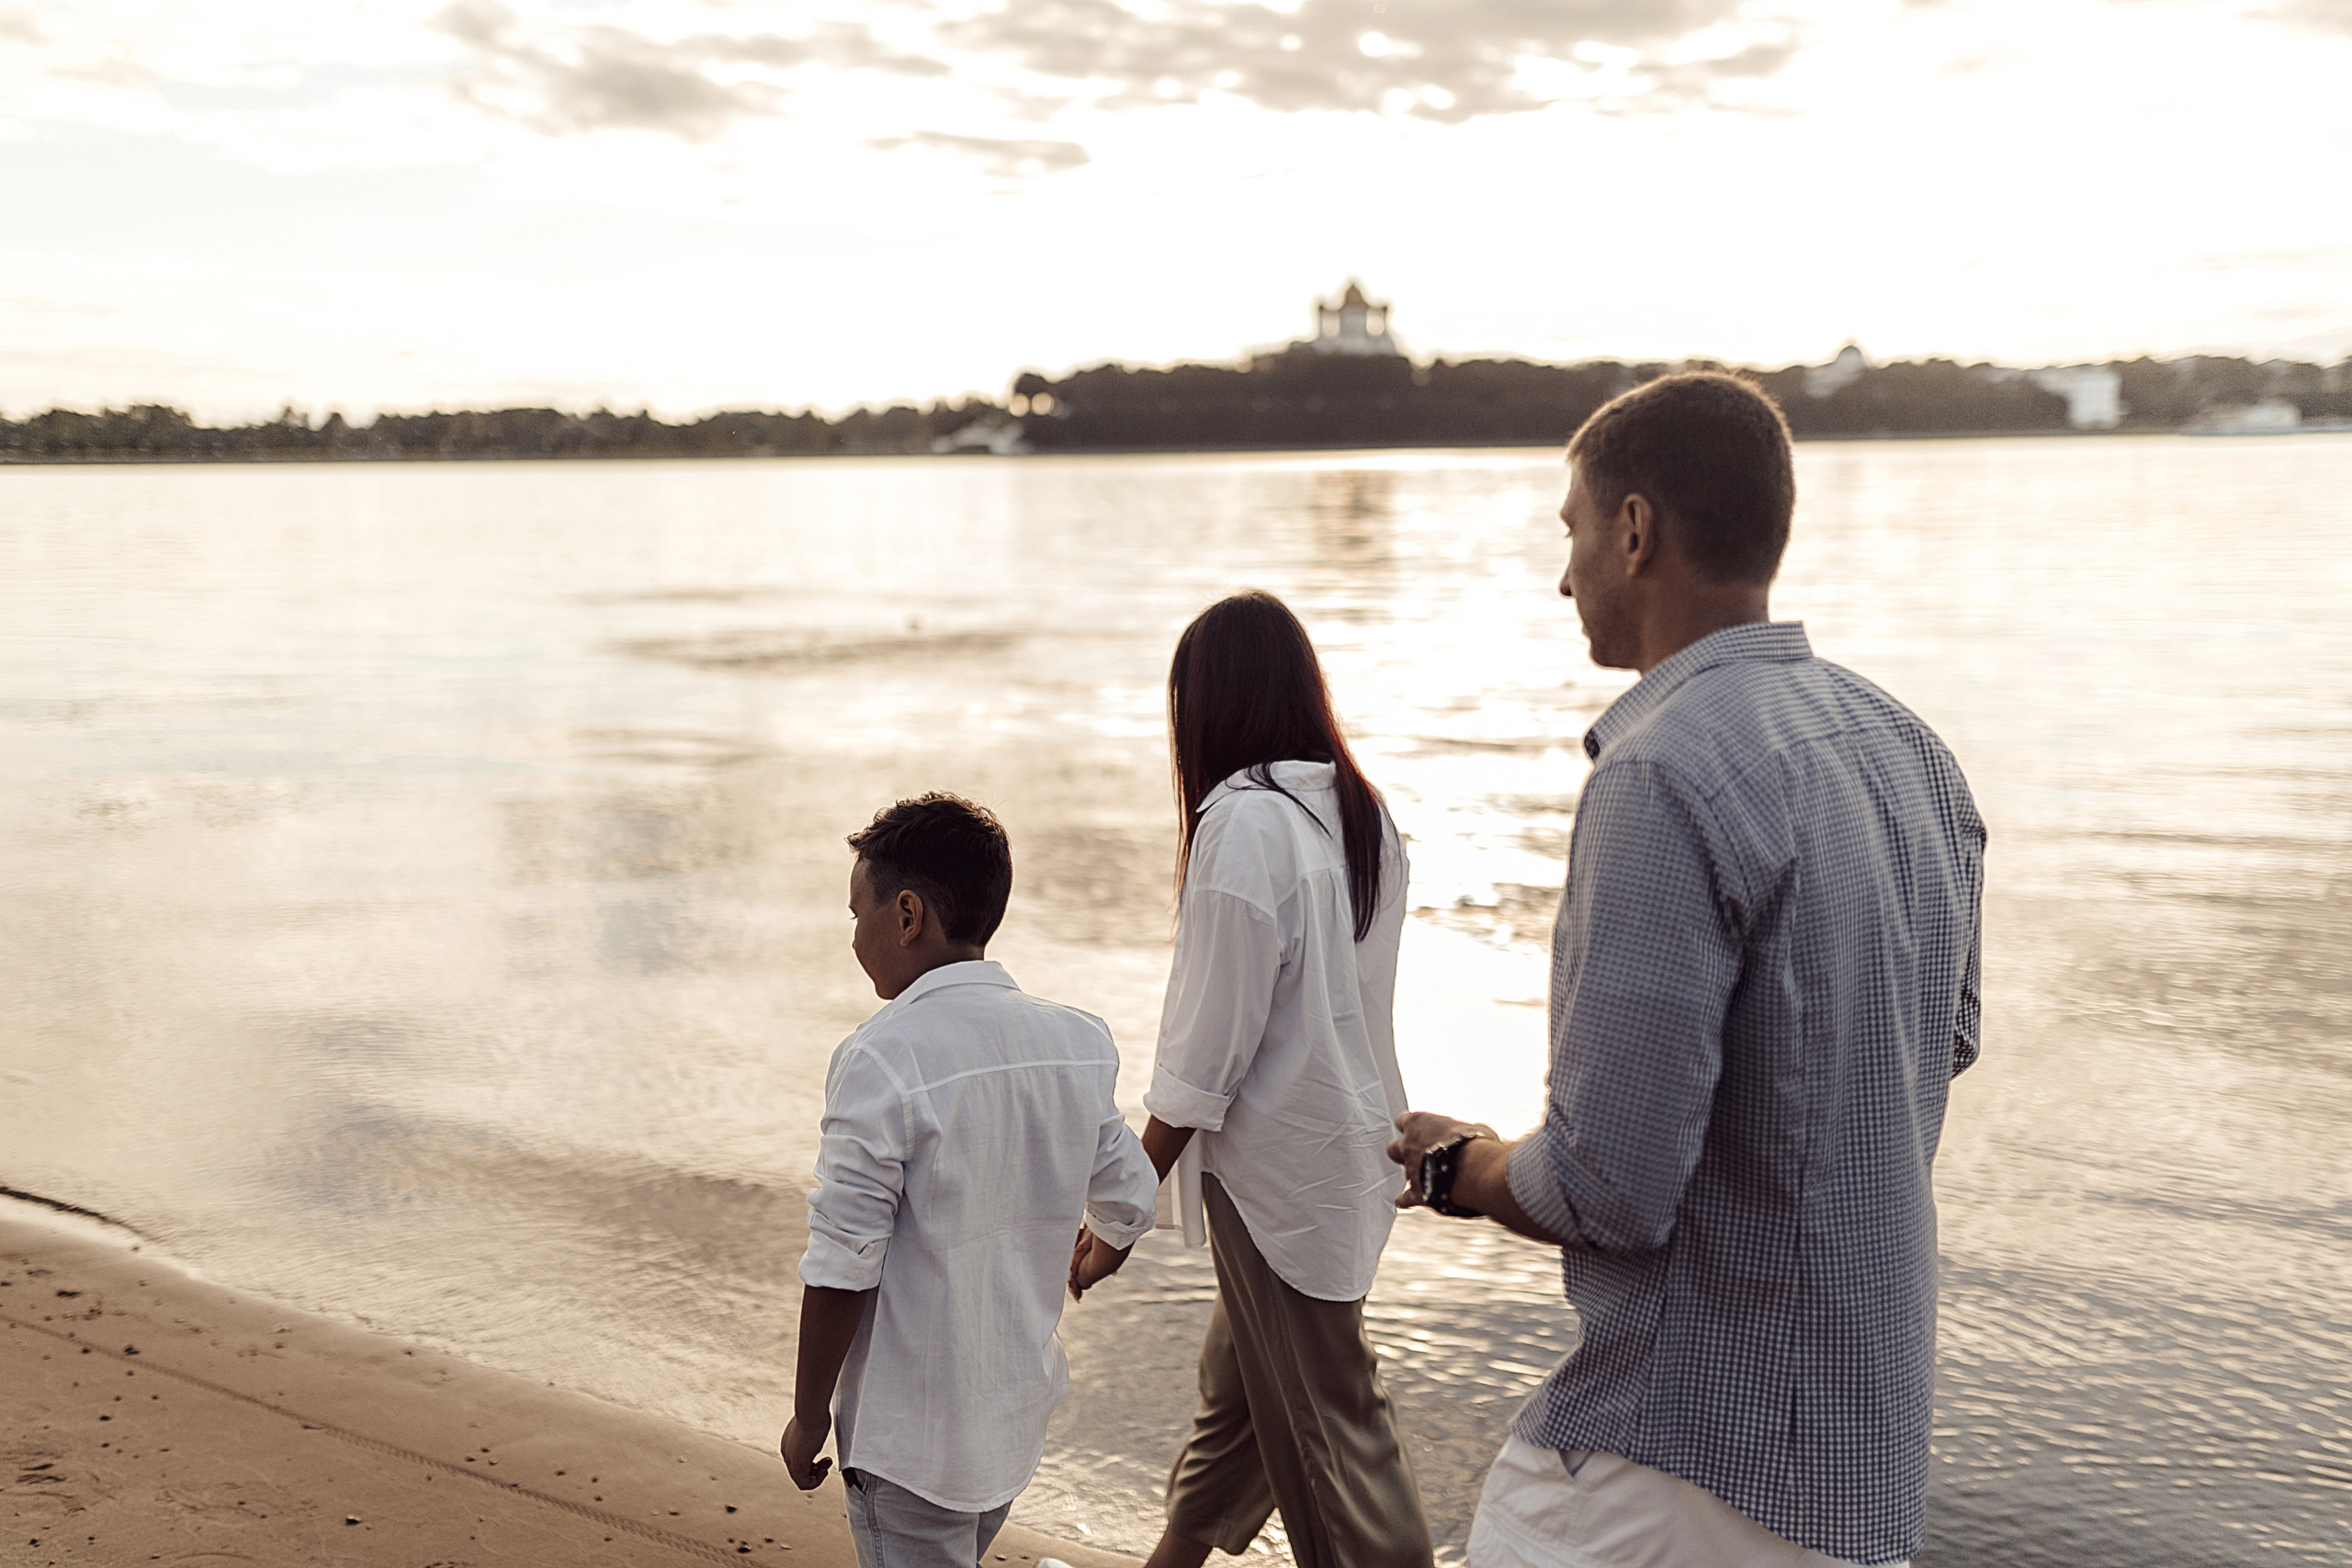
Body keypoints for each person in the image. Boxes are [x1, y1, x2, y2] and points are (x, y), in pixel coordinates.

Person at [1389, 372, 1985, 1568]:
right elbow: (1943, 1039)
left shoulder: (1659, 773)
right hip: (1862, 1448)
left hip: (1683, 1457)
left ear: (1634, 530)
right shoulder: (1910, 749)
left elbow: (1608, 1186)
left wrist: (1461, 1164)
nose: (1565, 578)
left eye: (1571, 531)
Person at [1069, 590, 1434, 1568]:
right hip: (1347, 1157)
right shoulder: (1359, 811)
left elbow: (1203, 1063)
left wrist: (1118, 1214)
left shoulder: (1243, 825)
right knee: (1239, 1402)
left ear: (1209, 706)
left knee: (1336, 1446)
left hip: (1279, 1179)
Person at [780, 792, 1159, 1568]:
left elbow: (844, 1262)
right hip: (1009, 1425)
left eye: (857, 912)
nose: (853, 936)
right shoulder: (1074, 1041)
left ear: (907, 914)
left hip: (909, 1444)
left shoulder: (881, 1057)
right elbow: (1132, 1196)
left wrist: (808, 1414)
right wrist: (1101, 1248)